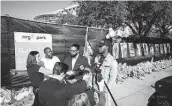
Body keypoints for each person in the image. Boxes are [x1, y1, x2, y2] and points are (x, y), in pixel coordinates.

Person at [93, 38, 118, 106]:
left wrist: (106, 89)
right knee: (97, 103)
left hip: (105, 89)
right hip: (97, 87)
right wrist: (93, 84)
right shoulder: (97, 58)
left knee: (106, 104)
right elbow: (95, 72)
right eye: (98, 46)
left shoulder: (112, 61)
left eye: (101, 46)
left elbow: (113, 77)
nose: (99, 48)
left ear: (106, 47)